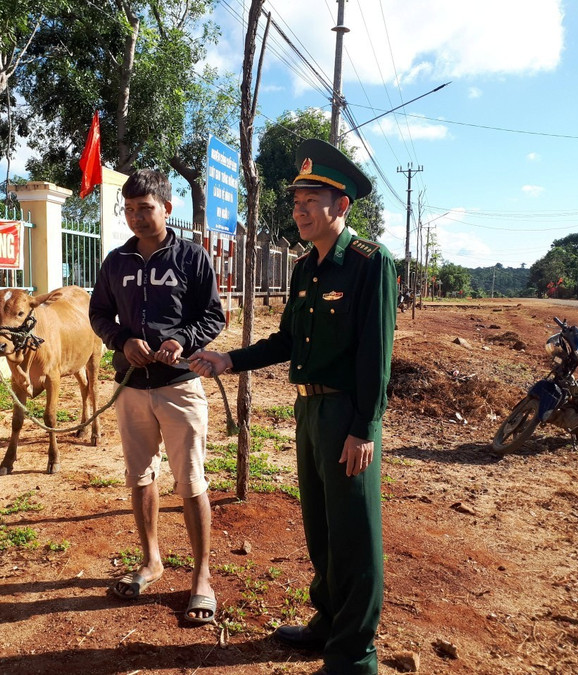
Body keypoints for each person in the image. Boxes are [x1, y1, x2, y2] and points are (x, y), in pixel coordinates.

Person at [190, 139, 397, 675]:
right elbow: (285, 343)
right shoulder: (306, 270)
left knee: (355, 534)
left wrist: (364, 428)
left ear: (342, 205)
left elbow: (376, 355)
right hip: (309, 415)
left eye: (311, 199)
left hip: (346, 416)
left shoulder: (369, 265)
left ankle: (356, 654)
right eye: (297, 200)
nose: (299, 210)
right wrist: (227, 360)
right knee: (321, 527)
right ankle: (328, 622)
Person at [89, 168, 225, 624]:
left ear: (167, 208)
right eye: (129, 210)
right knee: (140, 477)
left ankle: (201, 577)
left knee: (190, 481)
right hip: (131, 387)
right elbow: (100, 314)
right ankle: (151, 560)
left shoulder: (191, 258)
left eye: (145, 209)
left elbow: (214, 316)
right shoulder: (115, 263)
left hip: (179, 387)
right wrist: (121, 341)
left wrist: (182, 340)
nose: (136, 218)